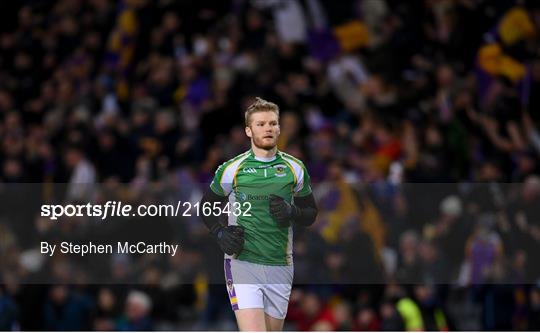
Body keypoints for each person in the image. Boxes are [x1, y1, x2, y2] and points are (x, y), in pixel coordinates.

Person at [200, 97, 318, 331]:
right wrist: (219, 232)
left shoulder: (295, 168)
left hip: (280, 264)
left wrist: (292, 211)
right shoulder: (232, 169)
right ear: (248, 130)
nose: (268, 129)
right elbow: (206, 207)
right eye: (261, 124)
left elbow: (311, 213)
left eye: (273, 123)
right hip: (242, 263)